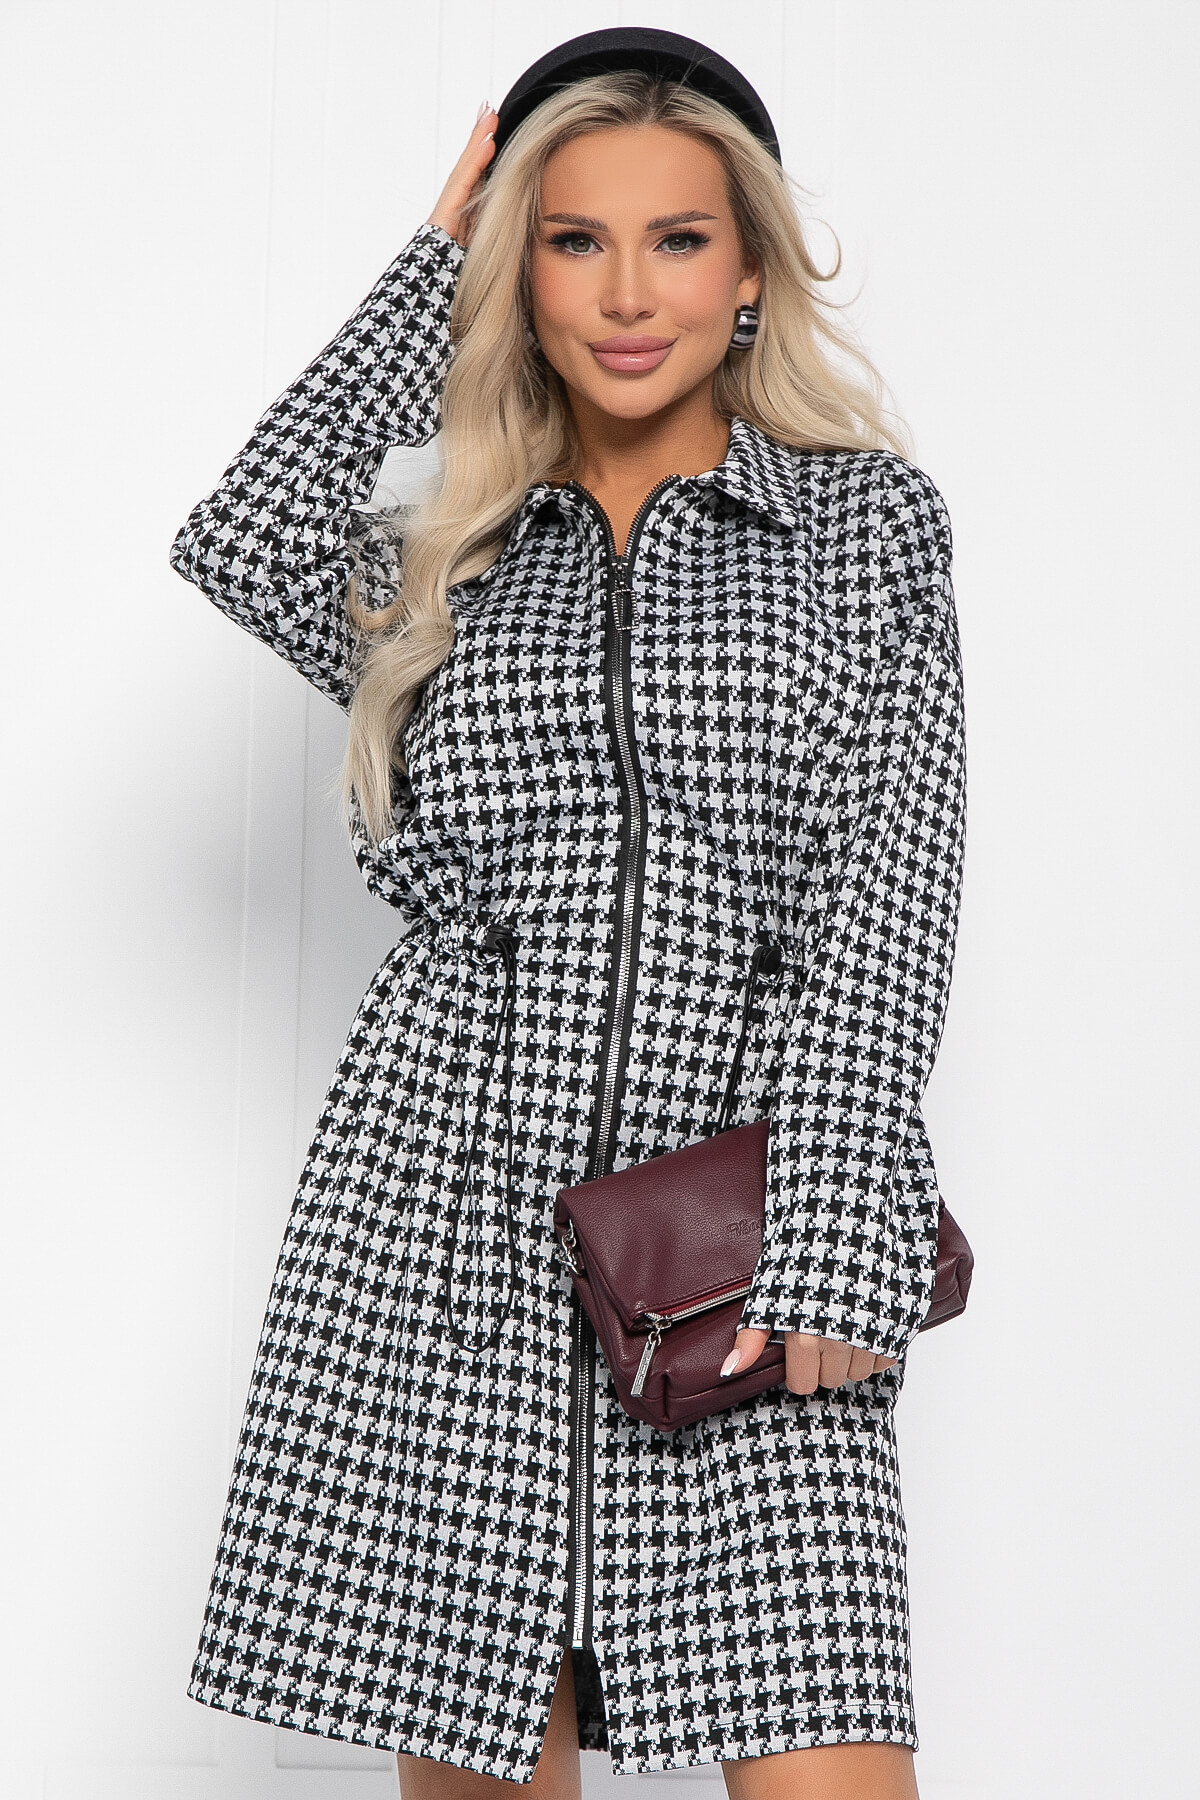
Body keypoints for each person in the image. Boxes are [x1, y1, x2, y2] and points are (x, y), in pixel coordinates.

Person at [169, 27, 966, 1800]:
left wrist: (844, 1238)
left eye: (678, 239)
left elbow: (889, 901)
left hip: (741, 1221)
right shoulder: (443, 541)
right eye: (572, 239)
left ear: (749, 269)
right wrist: (429, 265)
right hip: (447, 1217)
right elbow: (242, 537)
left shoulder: (864, 530)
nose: (626, 293)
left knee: (825, 1741)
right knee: (483, 1746)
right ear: (520, 270)